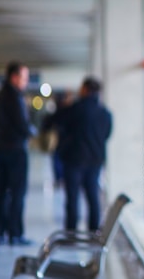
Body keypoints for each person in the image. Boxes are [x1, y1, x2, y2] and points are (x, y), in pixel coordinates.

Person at [0, 60, 36, 245]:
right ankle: (15, 233)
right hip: (16, 150)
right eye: (24, 77)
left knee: (0, 191)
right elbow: (22, 125)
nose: (26, 81)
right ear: (14, 77)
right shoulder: (15, 97)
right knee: (17, 192)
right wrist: (32, 131)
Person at [55, 77, 112, 231]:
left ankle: (71, 231)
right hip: (95, 160)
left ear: (85, 90)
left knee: (72, 198)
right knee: (93, 196)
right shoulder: (105, 113)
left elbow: (58, 123)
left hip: (74, 159)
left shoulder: (74, 109)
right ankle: (94, 231)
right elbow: (106, 135)